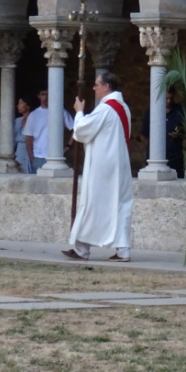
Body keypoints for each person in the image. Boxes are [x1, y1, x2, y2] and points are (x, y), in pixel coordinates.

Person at [61, 72, 134, 262]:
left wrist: (78, 111)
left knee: (92, 203)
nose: (94, 88)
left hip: (103, 167)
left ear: (106, 87)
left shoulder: (106, 109)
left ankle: (81, 250)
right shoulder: (123, 108)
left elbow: (82, 130)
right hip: (120, 164)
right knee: (120, 206)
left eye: (96, 85)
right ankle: (123, 251)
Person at [140, 88, 184, 178]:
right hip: (155, 159)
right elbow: (144, 134)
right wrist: (152, 146)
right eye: (166, 98)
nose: (168, 101)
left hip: (175, 157)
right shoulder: (151, 111)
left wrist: (179, 135)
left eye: (170, 99)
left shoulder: (179, 111)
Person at [23, 88, 49, 171]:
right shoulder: (34, 115)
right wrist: (32, 158)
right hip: (38, 157)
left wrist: (68, 146)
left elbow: (74, 128)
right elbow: (28, 139)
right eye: (43, 94)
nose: (46, 97)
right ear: (39, 96)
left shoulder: (61, 112)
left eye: (48, 94)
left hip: (56, 157)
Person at [13, 95, 36, 174]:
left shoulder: (35, 119)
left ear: (28, 105)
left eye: (21, 103)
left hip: (32, 150)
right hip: (19, 153)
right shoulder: (17, 121)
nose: (18, 106)